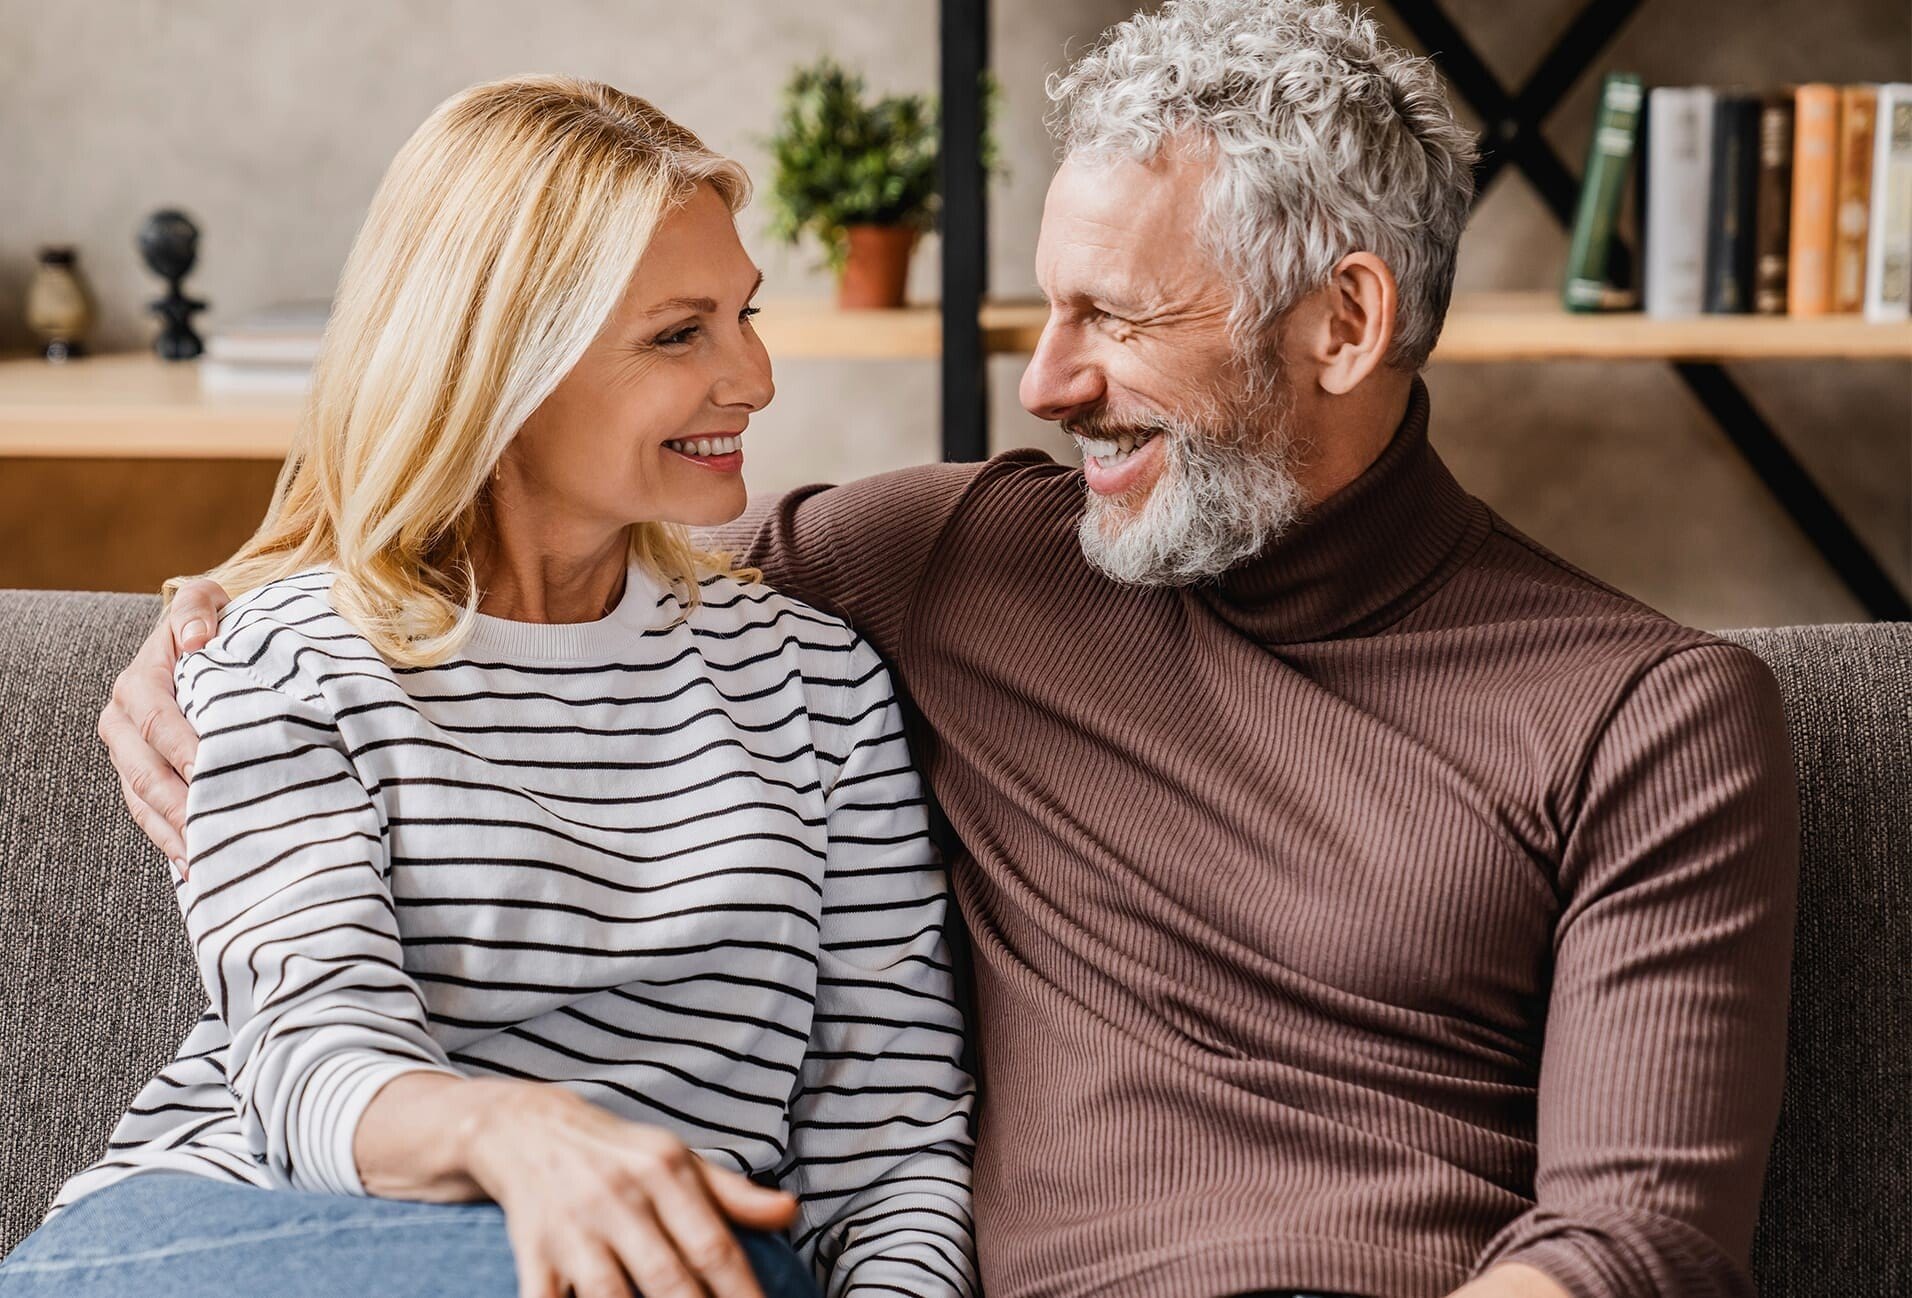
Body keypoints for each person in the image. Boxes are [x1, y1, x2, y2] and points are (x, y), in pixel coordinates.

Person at [97, 3, 1801, 1297]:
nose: (1046, 386)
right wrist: (212, 623)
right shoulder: (954, 560)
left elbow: (1629, 1229)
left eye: (1113, 319)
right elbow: (529, 556)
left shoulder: (1648, 713)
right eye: (1041, 309)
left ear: (1341, 322)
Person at [3, 76, 976, 1298]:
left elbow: (889, 1152)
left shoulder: (816, 684)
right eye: (681, 333)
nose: (756, 377)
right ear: (504, 364)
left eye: (744, 315)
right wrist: (521, 1137)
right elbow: (312, 1061)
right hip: (235, 1238)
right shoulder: (290, 656)